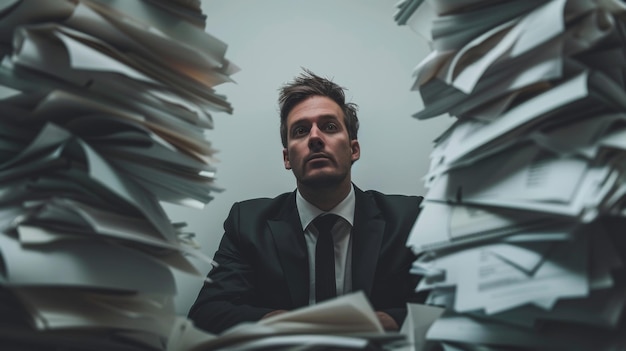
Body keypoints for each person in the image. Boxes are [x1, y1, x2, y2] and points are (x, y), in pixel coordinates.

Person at [188, 69, 423, 334]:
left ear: (353, 149)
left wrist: (391, 322)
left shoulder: (409, 218)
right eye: (300, 130)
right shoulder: (248, 223)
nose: (314, 137)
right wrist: (281, 323)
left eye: (329, 127)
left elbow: (449, 306)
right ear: (287, 158)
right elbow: (207, 313)